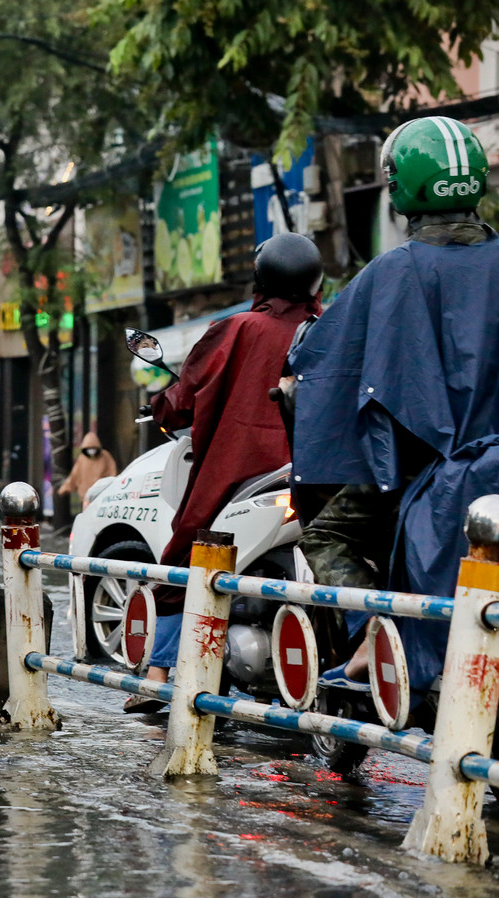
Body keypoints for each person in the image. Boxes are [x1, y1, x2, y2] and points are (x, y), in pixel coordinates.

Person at [292, 115, 499, 697]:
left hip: (428, 470)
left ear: (402, 186)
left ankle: (371, 642)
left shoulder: (391, 271)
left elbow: (321, 352)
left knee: (328, 537)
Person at [126, 231, 324, 712]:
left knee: (184, 561)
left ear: (262, 277)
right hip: (318, 477)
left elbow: (185, 395)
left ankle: (160, 673)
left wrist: (164, 408)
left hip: (235, 476)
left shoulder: (236, 329)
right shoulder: (330, 328)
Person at [57, 432, 118, 502]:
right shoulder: (82, 459)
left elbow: (112, 472)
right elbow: (74, 475)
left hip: (101, 495)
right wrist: (64, 488)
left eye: (93, 448)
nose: (91, 451)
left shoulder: (105, 456)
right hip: (85, 497)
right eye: (89, 448)